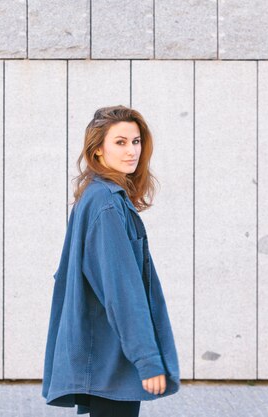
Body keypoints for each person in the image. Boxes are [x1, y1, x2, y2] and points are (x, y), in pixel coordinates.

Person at [42, 105, 181, 416]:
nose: (131, 151)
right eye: (120, 142)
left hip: (105, 355)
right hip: (112, 358)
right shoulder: (106, 205)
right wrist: (147, 359)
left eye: (135, 141)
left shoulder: (97, 196)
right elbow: (122, 291)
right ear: (98, 150)